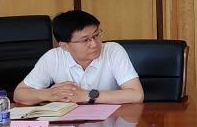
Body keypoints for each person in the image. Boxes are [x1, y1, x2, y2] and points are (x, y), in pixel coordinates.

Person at [13, 10, 144, 105]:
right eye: (85, 40)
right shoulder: (53, 57)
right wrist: (48, 94)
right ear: (64, 46)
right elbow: (19, 94)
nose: (94, 44)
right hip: (69, 126)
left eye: (96, 35)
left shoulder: (113, 51)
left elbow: (137, 95)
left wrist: (86, 95)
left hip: (110, 122)